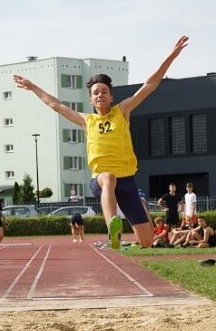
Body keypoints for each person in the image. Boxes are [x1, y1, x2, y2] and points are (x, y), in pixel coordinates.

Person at [14, 36, 189, 250]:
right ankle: (112, 228)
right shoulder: (86, 120)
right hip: (101, 180)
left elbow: (149, 85)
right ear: (90, 99)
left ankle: (128, 232)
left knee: (146, 241)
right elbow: (56, 105)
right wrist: (33, 87)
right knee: (108, 177)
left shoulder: (122, 111)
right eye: (96, 93)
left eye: (104, 92)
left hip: (127, 182)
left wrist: (171, 56)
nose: (100, 95)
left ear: (111, 96)